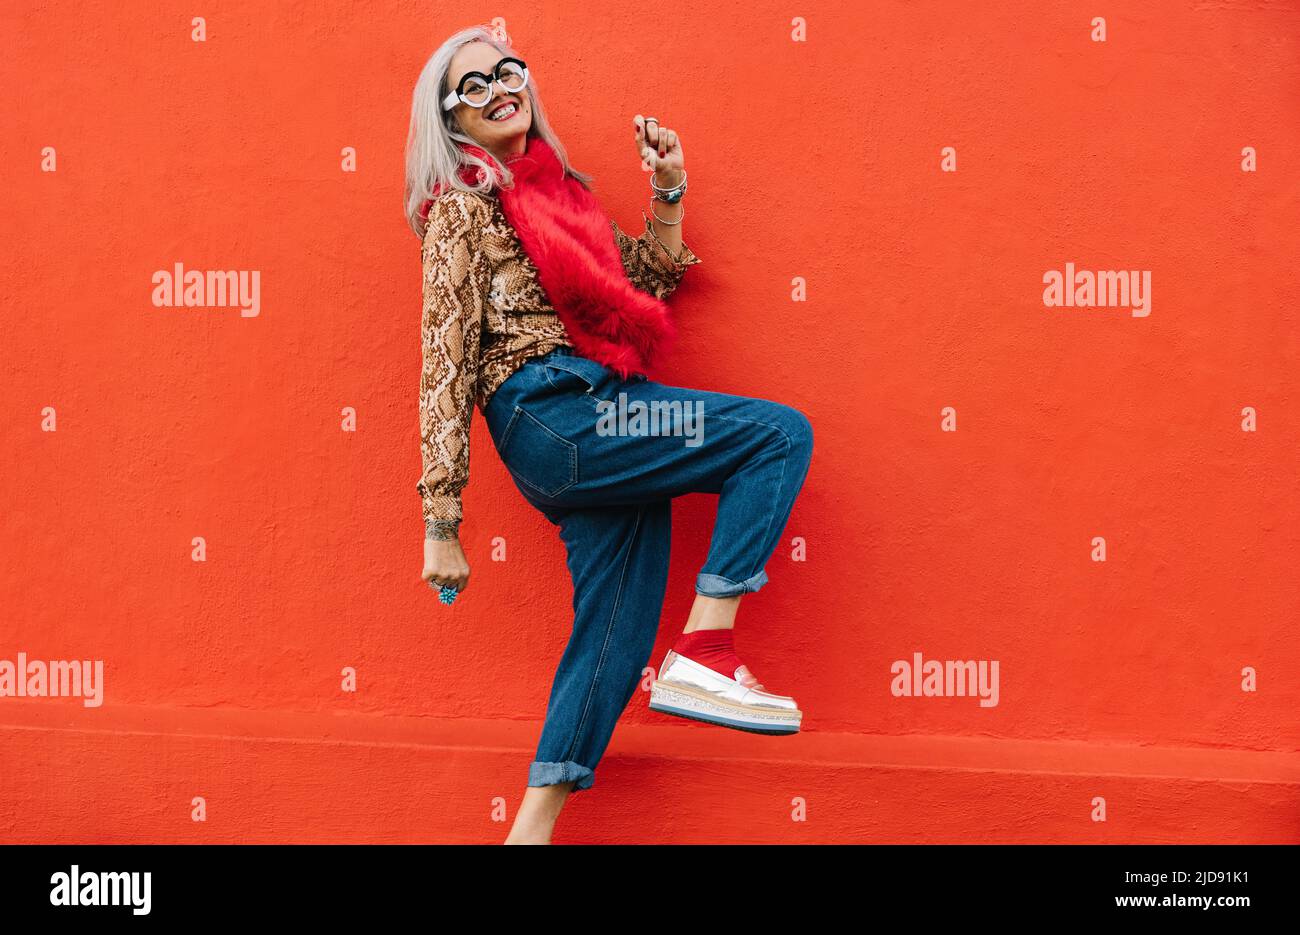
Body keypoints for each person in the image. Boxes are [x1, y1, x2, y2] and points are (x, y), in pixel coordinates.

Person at [405, 25, 814, 844]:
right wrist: (441, 521)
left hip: (604, 414)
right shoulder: (461, 211)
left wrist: (666, 191)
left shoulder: (564, 197)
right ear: (450, 123)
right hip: (553, 417)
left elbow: (651, 279)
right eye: (473, 88)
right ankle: (704, 647)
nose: (499, 90)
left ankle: (527, 834)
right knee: (776, 435)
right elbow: (442, 360)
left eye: (506, 72)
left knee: (615, 638)